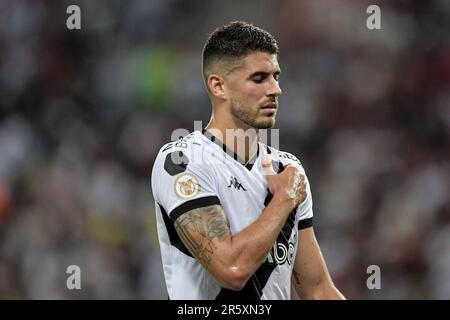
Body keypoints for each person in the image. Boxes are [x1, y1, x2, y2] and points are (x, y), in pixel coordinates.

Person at [151, 21, 345, 300]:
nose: (276, 89)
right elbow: (231, 269)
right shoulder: (182, 162)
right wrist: (283, 199)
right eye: (259, 78)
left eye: (276, 76)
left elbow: (317, 291)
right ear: (219, 86)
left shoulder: (288, 170)